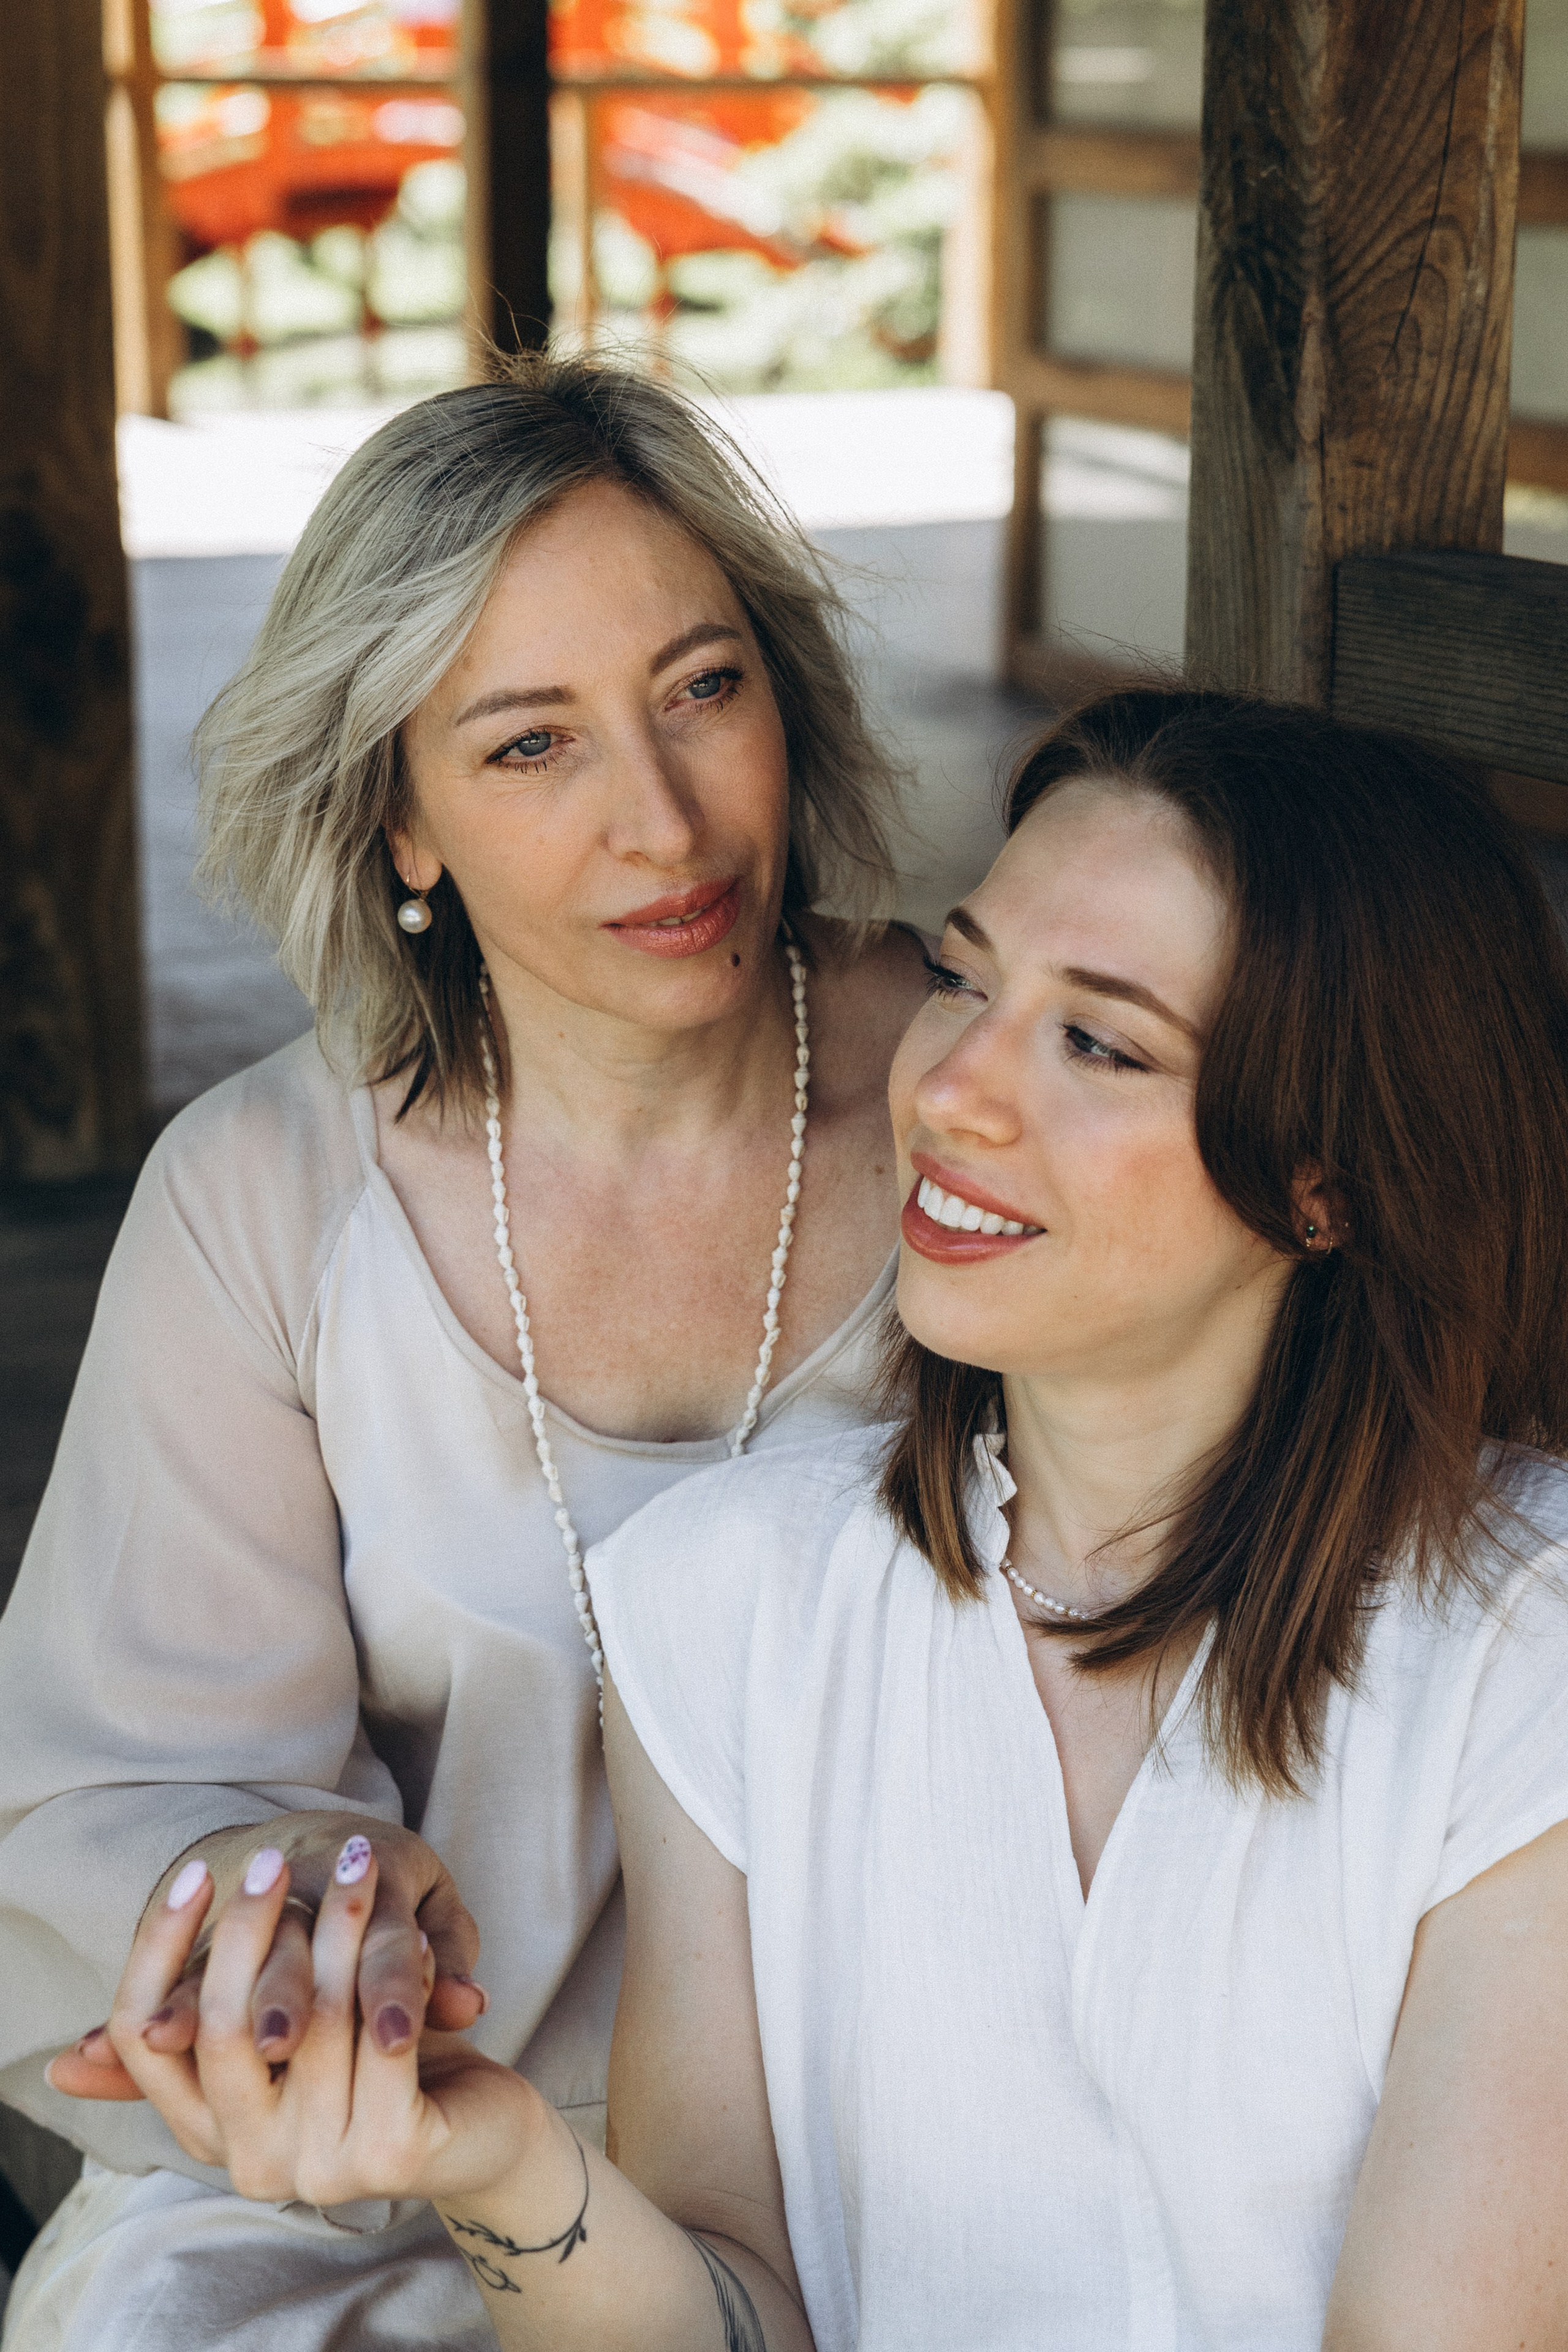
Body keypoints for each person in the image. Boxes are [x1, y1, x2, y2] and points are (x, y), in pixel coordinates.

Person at [88, 688, 1568, 2352]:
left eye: (1098, 1043)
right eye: (961, 979)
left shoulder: (1525, 1664)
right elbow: (733, 2321)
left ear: (1328, 1178)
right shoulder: (724, 1603)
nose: (952, 1091)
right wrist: (490, 2157)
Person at [0, 352, 929, 2348]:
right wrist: (281, 1898)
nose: (662, 821)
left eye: (704, 688)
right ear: (397, 825)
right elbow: (118, 1777)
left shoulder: (991, 1101)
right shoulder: (265, 1193)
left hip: (913, 2143)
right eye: (530, 748)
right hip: (385, 2157)